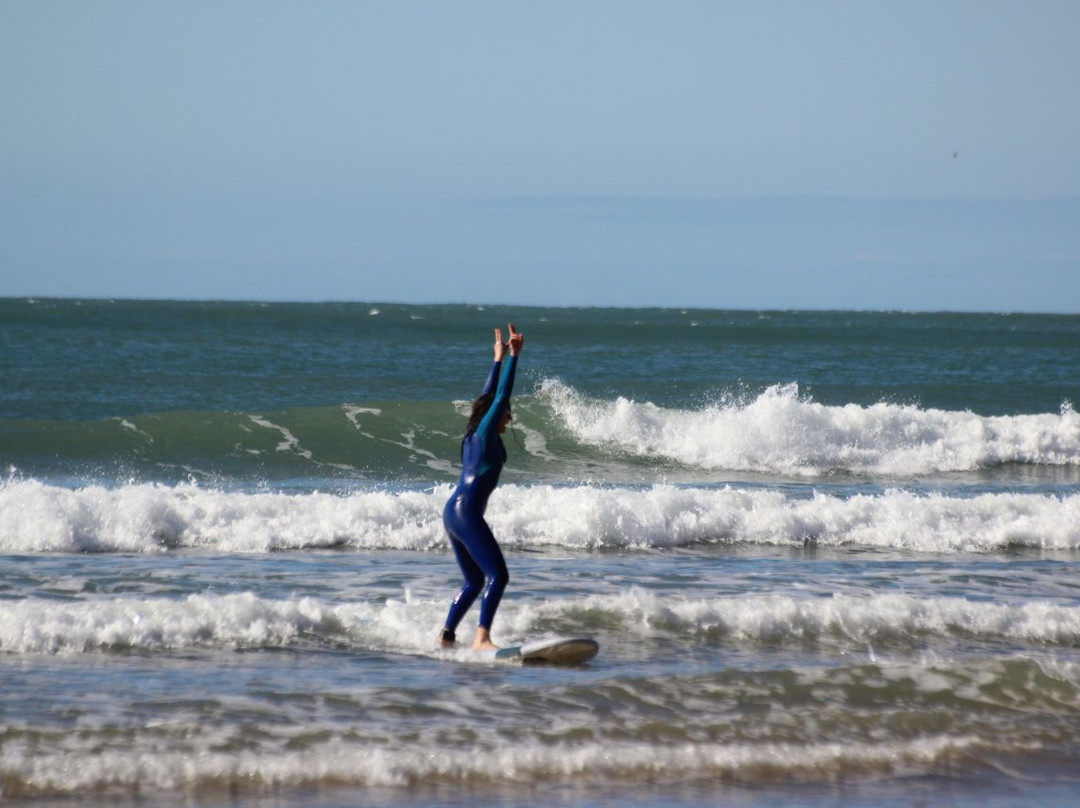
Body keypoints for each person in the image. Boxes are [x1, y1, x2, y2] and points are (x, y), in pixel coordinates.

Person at [438, 323, 524, 651]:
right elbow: (499, 397)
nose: (508, 419)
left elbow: (487, 398)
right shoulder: (486, 433)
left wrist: (496, 360)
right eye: (506, 415)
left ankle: (446, 636)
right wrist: (515, 357)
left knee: (474, 581)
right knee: (497, 576)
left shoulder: (473, 432)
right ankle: (482, 638)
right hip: (468, 512)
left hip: (453, 511)